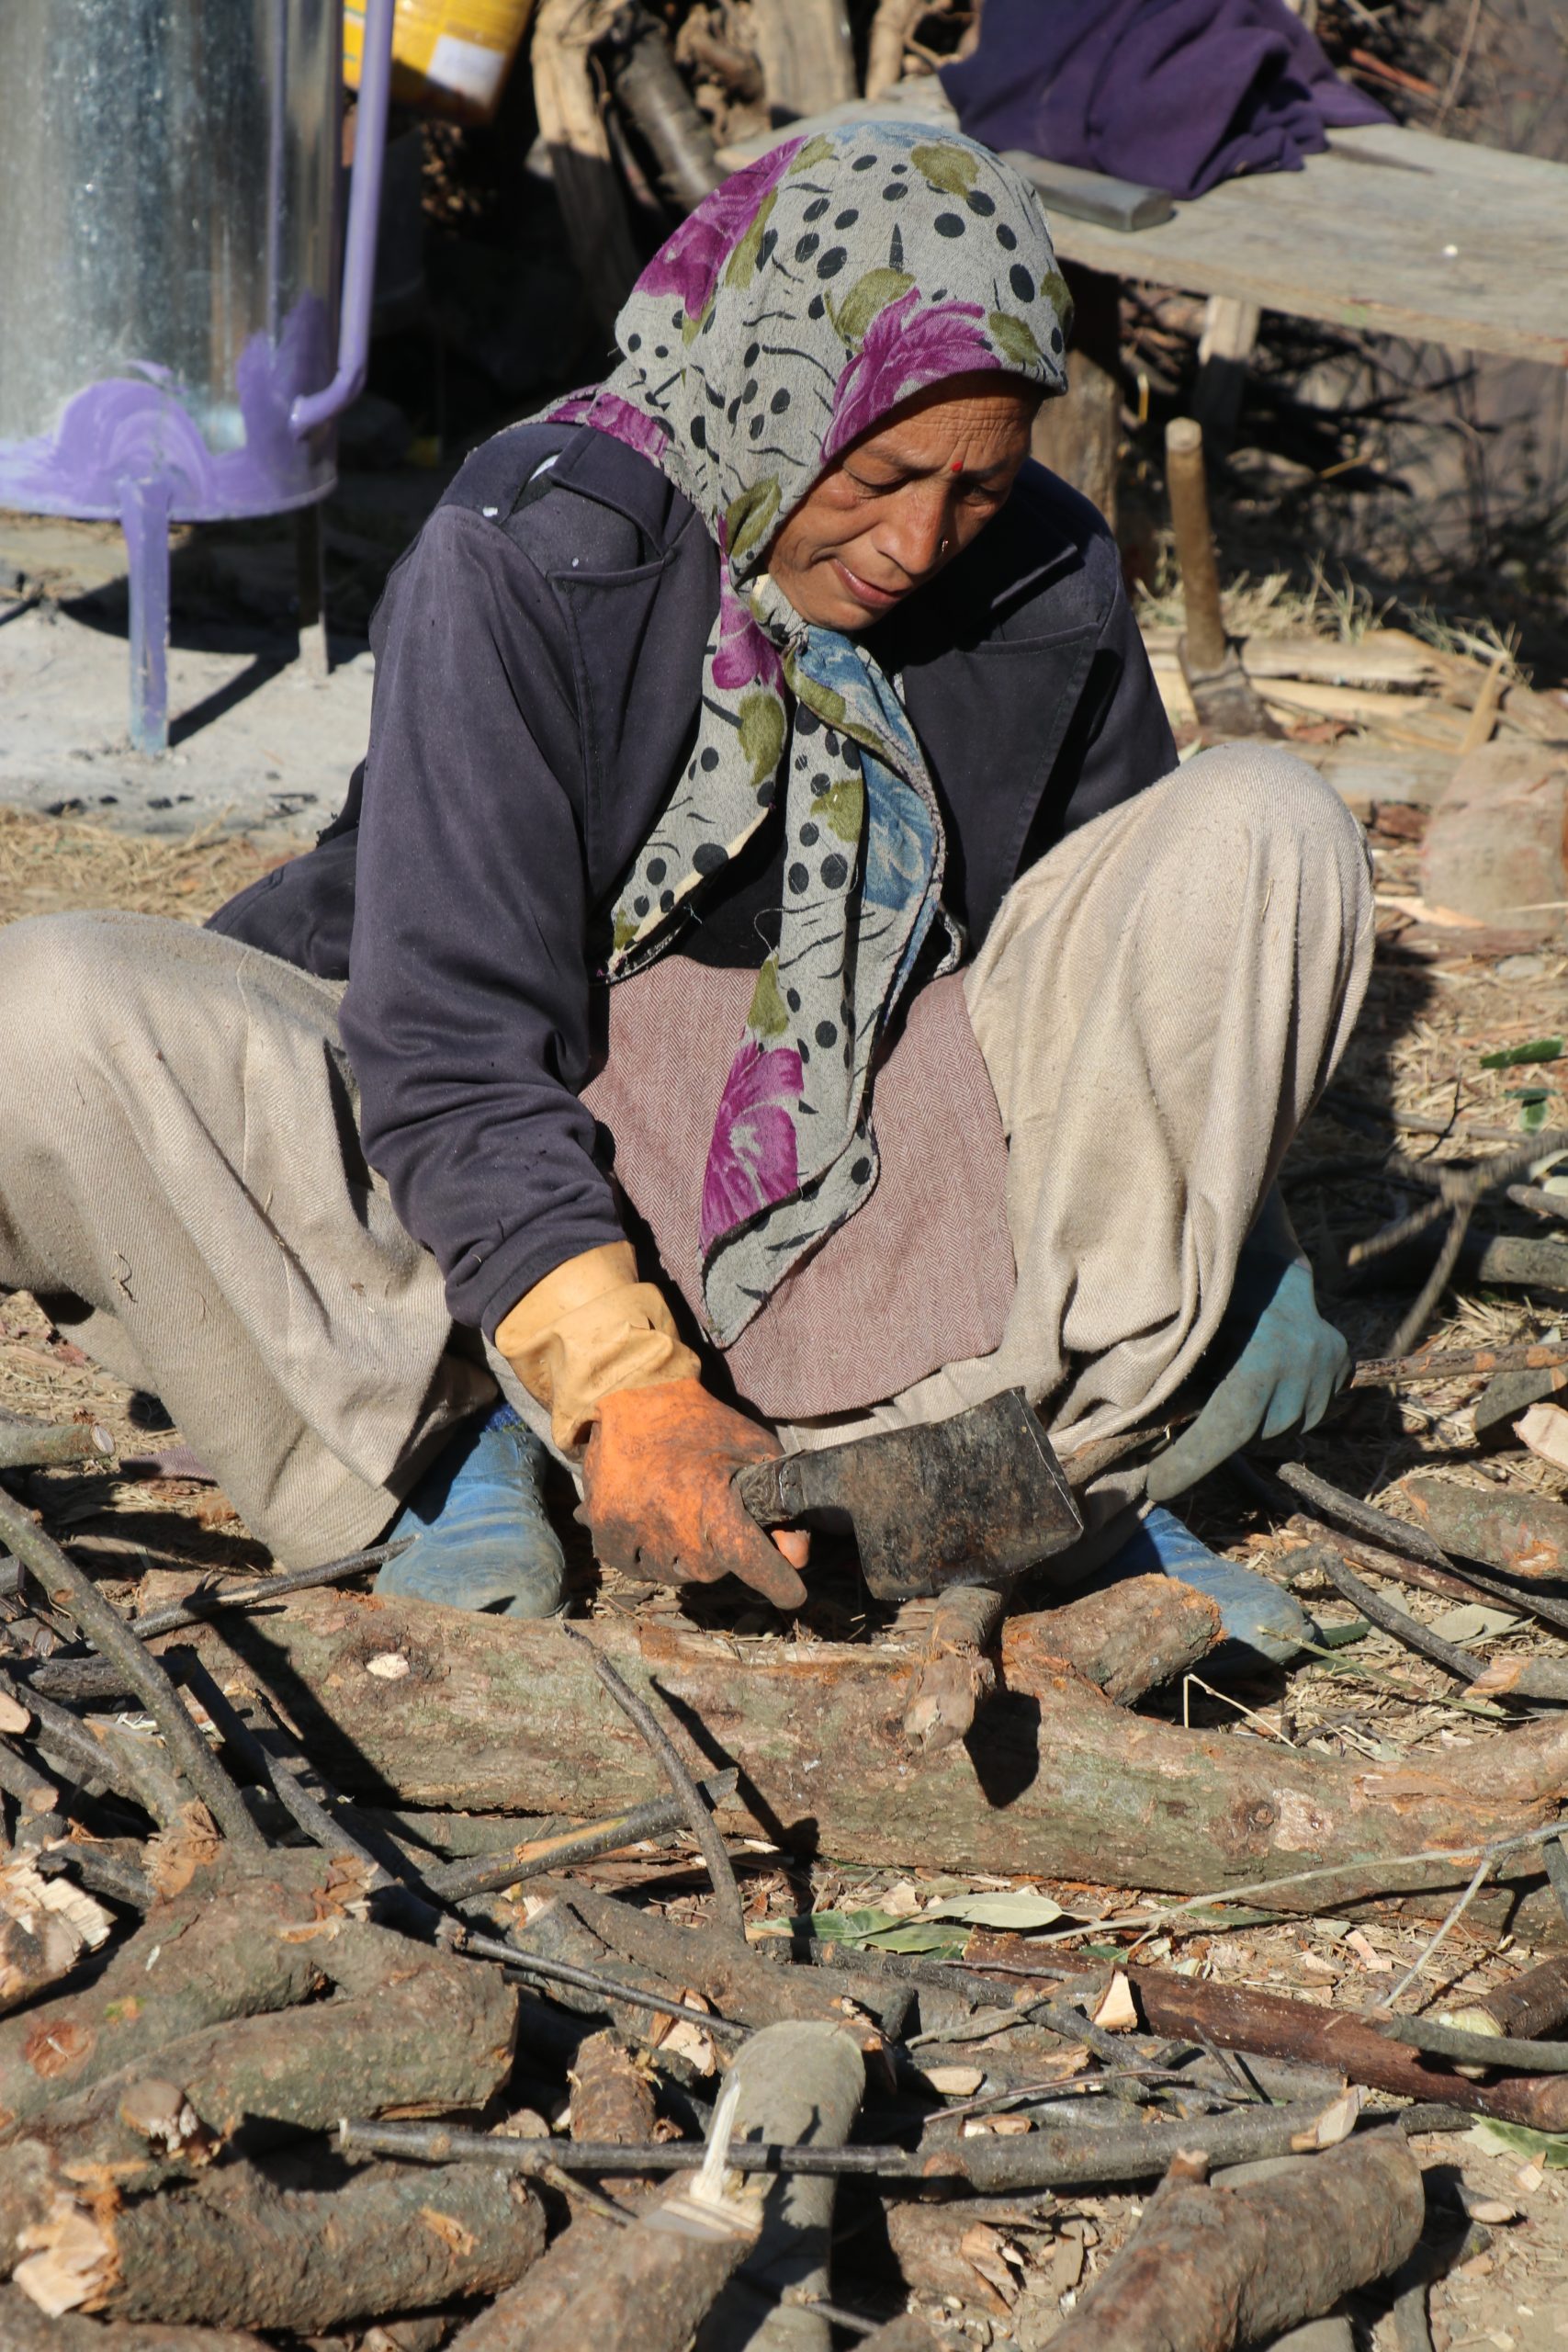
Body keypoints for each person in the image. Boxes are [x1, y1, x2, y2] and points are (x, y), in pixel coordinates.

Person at [0, 124, 1371, 1661]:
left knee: (1269, 821)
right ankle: (445, 1444)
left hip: (907, 1175)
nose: (923, 543)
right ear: (785, 385)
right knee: (40, 1014)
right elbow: (449, 1045)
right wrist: (631, 1384)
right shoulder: (535, 554)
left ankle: (1075, 1480)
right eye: (883, 471)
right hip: (511, 1181)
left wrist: (1237, 1257)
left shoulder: (1046, 575)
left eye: (978, 489)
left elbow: (1126, 992)